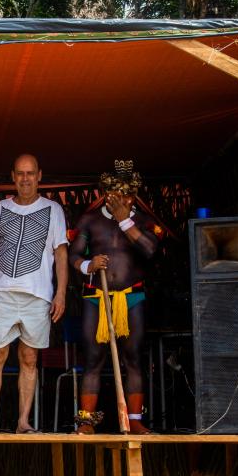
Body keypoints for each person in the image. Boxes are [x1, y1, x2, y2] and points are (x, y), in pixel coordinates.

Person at [0, 154, 68, 434]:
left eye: (30, 173)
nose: (25, 178)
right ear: (13, 176)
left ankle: (23, 422)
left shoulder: (53, 210)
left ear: (39, 175)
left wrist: (61, 293)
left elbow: (60, 253)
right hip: (0, 293)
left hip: (38, 295)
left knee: (29, 358)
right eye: (20, 173)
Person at [69, 160, 159, 434]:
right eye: (117, 195)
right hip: (97, 297)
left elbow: (150, 251)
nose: (122, 199)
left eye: (128, 195)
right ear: (107, 194)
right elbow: (73, 254)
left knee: (132, 358)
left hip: (132, 297)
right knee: (94, 358)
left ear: (134, 196)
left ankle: (134, 420)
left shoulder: (143, 221)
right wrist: (88, 265)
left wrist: (124, 221)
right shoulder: (90, 221)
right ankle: (86, 421)